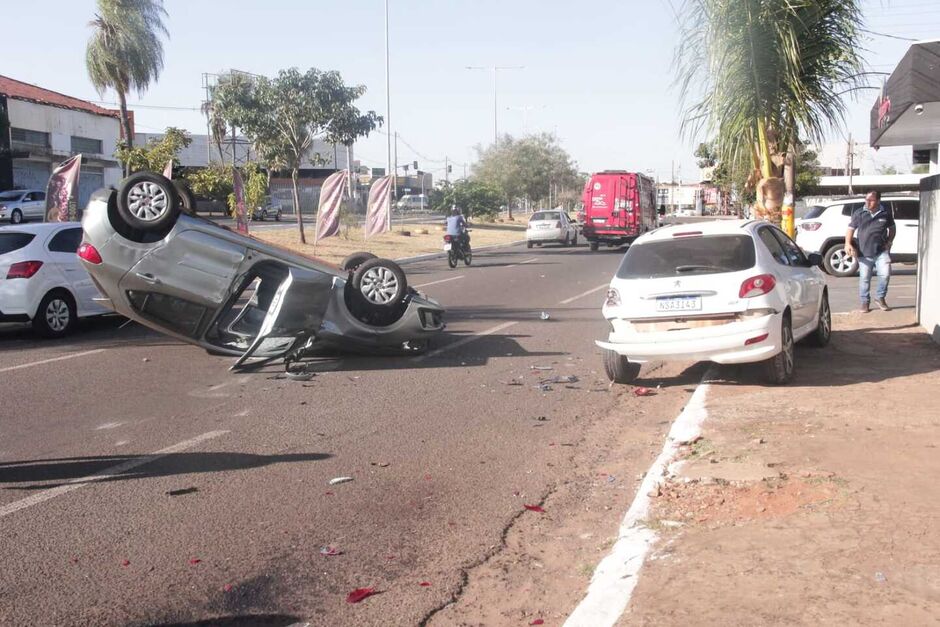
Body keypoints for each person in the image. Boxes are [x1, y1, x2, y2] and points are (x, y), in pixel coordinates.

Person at [845, 190, 895, 313]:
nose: (868, 202)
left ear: (878, 201)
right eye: (866, 199)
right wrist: (847, 243)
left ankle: (880, 297)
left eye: (871, 200)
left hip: (881, 251)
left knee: (885, 274)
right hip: (864, 252)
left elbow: (892, 229)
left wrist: (889, 242)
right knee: (865, 278)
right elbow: (850, 229)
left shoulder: (885, 213)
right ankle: (864, 302)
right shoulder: (859, 213)